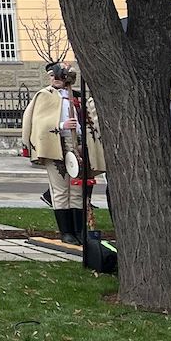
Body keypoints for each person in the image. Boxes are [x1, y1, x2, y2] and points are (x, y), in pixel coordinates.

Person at [21, 63, 107, 244]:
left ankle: (79, 230)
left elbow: (90, 121)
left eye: (59, 76)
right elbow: (39, 123)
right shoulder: (45, 96)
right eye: (53, 76)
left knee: (77, 190)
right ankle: (66, 232)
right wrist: (61, 126)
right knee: (60, 190)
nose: (56, 79)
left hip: (79, 146)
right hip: (56, 147)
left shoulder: (77, 97)